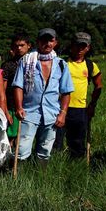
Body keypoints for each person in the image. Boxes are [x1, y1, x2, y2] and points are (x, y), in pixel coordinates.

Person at [13, 28, 74, 164]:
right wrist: (18, 107)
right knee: (22, 149)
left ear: (55, 42)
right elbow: (18, 86)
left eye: (50, 40)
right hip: (29, 112)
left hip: (51, 113)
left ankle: (40, 178)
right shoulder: (26, 61)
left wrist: (63, 113)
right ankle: (17, 179)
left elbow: (66, 92)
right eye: (44, 40)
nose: (47, 43)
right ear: (37, 42)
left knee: (45, 150)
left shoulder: (61, 64)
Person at [54, 32, 103, 158]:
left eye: (83, 46)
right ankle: (54, 166)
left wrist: (92, 105)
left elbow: (98, 85)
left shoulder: (91, 65)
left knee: (77, 142)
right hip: (59, 108)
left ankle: (77, 167)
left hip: (80, 110)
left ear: (88, 47)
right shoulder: (61, 63)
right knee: (56, 141)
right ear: (72, 46)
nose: (79, 49)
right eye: (77, 45)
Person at [0, 32, 31, 141]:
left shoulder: (34, 63)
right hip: (12, 106)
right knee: (10, 136)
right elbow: (1, 91)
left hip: (30, 106)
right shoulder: (7, 65)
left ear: (29, 45)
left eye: (22, 45)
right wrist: (5, 111)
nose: (19, 48)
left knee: (25, 138)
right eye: (16, 46)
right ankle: (8, 157)